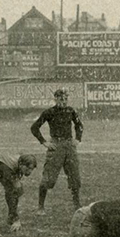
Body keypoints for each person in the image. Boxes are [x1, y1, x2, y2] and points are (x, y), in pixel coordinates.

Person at [31, 88, 83, 216]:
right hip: (56, 145)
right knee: (48, 178)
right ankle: (40, 207)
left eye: (65, 99)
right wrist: (44, 142)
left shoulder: (71, 111)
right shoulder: (50, 112)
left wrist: (77, 139)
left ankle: (77, 205)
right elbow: (34, 127)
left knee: (74, 176)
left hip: (69, 146)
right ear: (55, 99)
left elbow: (79, 125)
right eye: (61, 99)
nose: (63, 101)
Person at [0, 151, 38, 231]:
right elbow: (10, 193)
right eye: (28, 168)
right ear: (21, 164)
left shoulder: (18, 163)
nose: (29, 171)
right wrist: (16, 218)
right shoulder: (8, 169)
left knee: (18, 190)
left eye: (31, 169)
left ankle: (10, 216)